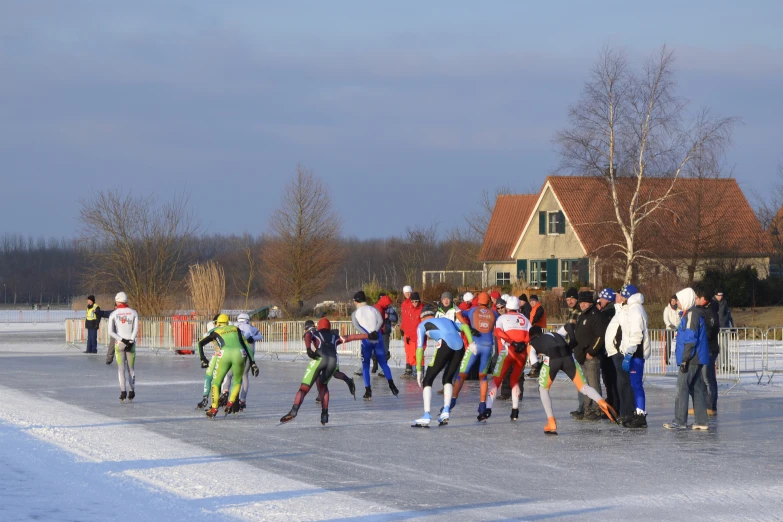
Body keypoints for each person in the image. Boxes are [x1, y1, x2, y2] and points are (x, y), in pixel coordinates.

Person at [528, 326, 618, 434]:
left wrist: (541, 366)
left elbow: (535, 363)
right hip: (569, 357)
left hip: (552, 359)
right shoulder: (556, 334)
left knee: (543, 389)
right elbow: (568, 326)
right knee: (583, 387)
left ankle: (551, 421)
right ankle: (601, 402)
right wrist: (573, 339)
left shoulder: (532, 344)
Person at [280, 318, 369, 425]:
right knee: (323, 386)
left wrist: (308, 348)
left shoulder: (316, 333)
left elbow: (308, 335)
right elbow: (351, 337)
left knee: (304, 389)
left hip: (319, 358)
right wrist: (369, 335)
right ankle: (324, 415)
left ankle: (294, 410)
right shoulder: (334, 336)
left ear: (319, 326)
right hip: (333, 360)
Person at [411, 307, 475, 427]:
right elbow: (465, 327)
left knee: (428, 379)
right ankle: (446, 410)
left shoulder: (422, 325)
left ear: (422, 317)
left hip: (445, 345)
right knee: (447, 378)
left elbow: (419, 349)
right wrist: (471, 343)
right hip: (460, 347)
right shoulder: (446, 320)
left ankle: (426, 414)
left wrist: (419, 370)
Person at [664, 288, 710, 430]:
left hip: (691, 359)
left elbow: (690, 339)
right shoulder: (688, 314)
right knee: (695, 388)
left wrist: (685, 359)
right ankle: (701, 421)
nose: (676, 302)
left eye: (678, 300)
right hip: (694, 358)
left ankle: (679, 421)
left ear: (684, 300)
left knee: (681, 387)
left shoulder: (691, 315)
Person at [198, 314, 259, 418]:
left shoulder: (215, 331)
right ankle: (230, 403)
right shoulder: (236, 328)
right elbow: (245, 344)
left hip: (224, 354)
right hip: (240, 354)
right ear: (228, 322)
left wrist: (203, 358)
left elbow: (200, 343)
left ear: (217, 323)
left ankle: (214, 409)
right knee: (237, 381)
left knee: (216, 382)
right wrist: (253, 362)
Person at [452, 291, 498, 421]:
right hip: (488, 346)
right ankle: (482, 405)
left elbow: (458, 312)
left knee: (462, 374)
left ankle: (452, 401)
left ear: (478, 302)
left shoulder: (472, 310)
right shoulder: (493, 313)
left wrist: (466, 325)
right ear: (489, 302)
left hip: (474, 346)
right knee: (482, 376)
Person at [488, 296, 530, 421]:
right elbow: (531, 333)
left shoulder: (502, 318)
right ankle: (515, 411)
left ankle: (487, 409)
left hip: (506, 351)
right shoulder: (525, 319)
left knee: (496, 380)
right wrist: (522, 343)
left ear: (507, 307)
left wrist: (512, 342)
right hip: (521, 354)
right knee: (514, 380)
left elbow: (499, 333)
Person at [352, 290, 398, 400]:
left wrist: (367, 335)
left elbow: (356, 326)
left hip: (366, 340)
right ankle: (392, 384)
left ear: (356, 301)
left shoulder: (355, 313)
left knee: (366, 366)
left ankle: (368, 390)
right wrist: (375, 332)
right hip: (378, 338)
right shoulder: (373, 309)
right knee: (383, 363)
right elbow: (381, 321)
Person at [616, 284, 650, 429]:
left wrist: (629, 353)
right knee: (634, 384)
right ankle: (638, 413)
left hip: (636, 353)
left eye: (623, 295)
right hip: (633, 351)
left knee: (636, 385)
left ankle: (641, 415)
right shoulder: (630, 308)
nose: (621, 297)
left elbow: (636, 334)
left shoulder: (636, 309)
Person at [572, 291, 606, 421]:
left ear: (590, 302)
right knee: (585, 385)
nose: (582, 305)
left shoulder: (595, 315)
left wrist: (591, 352)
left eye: (584, 302)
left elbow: (600, 336)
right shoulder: (583, 315)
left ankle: (596, 410)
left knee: (593, 384)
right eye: (580, 302)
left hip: (591, 357)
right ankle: (587, 410)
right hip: (581, 357)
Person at [604, 288, 635, 424]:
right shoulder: (620, 310)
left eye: (621, 295)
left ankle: (628, 412)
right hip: (615, 352)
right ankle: (624, 411)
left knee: (625, 384)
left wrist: (619, 348)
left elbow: (625, 332)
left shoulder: (629, 311)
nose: (618, 297)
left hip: (621, 352)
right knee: (620, 384)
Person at [105, 292, 140, 402]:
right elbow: (135, 329)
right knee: (131, 369)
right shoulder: (133, 312)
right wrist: (130, 340)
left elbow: (111, 331)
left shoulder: (114, 314)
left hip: (119, 344)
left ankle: (123, 392)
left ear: (117, 301)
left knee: (121, 370)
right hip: (131, 344)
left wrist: (121, 339)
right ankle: (132, 391)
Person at [695, 287, 719, 416]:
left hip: (709, 349)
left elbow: (713, 328)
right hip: (703, 349)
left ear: (703, 299)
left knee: (708, 378)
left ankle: (710, 406)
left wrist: (704, 337)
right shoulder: (703, 311)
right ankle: (703, 405)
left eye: (697, 298)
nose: (695, 300)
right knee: (702, 379)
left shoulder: (710, 311)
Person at [596, 288, 619, 417]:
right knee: (608, 380)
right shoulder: (609, 310)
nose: (600, 301)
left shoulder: (610, 311)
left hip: (609, 351)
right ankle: (612, 403)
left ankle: (614, 405)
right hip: (608, 350)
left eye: (602, 299)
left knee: (611, 380)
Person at [400, 291, 423, 379]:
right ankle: (411, 370)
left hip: (417, 335)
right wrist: (403, 328)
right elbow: (406, 320)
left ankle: (417, 371)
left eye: (416, 301)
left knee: (417, 353)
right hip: (409, 334)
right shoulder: (407, 306)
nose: (414, 303)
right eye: (412, 301)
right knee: (409, 353)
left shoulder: (421, 309)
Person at [372, 293, 395, 377]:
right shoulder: (378, 308)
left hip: (384, 332)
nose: (388, 305)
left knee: (384, 350)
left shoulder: (387, 309)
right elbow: (378, 321)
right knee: (376, 350)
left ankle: (383, 368)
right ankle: (378, 366)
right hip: (379, 331)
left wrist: (388, 316)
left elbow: (395, 318)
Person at [663, 295, 680, 365]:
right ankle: (667, 359)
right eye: (672, 300)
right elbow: (665, 319)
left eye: (674, 300)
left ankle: (679, 359)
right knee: (669, 345)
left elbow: (681, 318)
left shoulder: (679, 309)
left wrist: (679, 326)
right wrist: (671, 326)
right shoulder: (667, 309)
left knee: (678, 345)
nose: (673, 302)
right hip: (670, 330)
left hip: (678, 330)